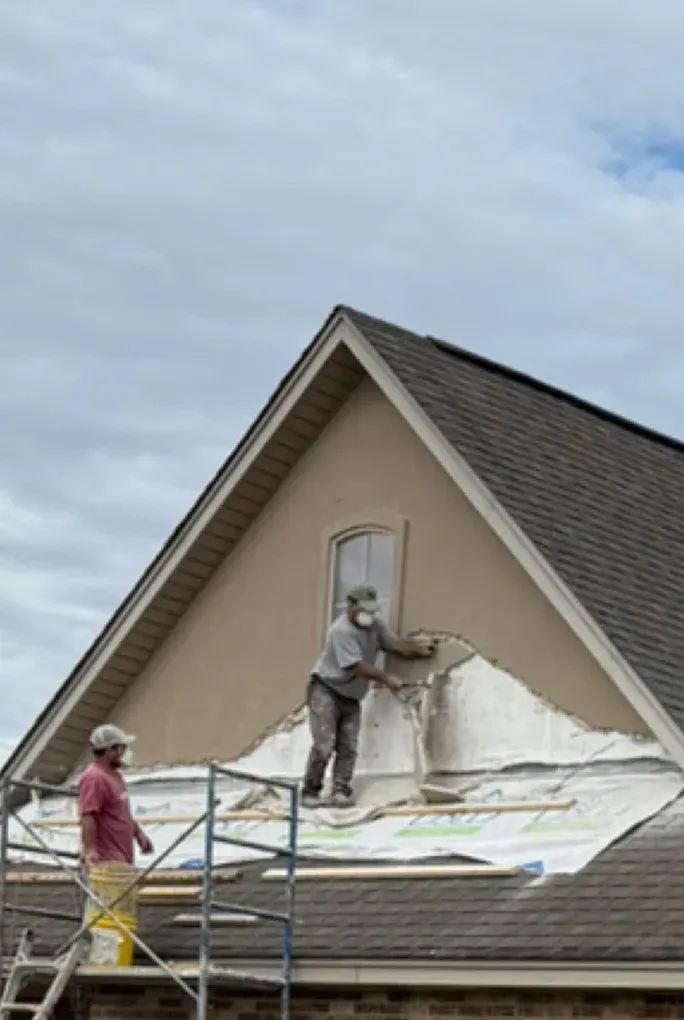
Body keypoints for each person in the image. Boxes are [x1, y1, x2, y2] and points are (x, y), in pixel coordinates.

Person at [302, 584, 436, 808]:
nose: (369, 616)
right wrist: (387, 679)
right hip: (326, 690)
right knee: (325, 744)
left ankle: (340, 790)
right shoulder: (341, 631)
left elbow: (393, 644)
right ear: (351, 606)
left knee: (348, 746)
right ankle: (310, 790)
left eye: (372, 611)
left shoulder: (374, 626)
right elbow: (357, 667)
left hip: (352, 696)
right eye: (364, 610)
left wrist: (418, 649)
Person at [78, 724, 153, 867]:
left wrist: (138, 834)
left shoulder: (115, 776)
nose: (124, 753)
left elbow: (121, 813)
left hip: (121, 857)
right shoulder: (94, 778)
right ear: (110, 749)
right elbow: (88, 815)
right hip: (105, 859)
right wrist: (89, 850)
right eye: (122, 748)